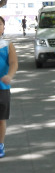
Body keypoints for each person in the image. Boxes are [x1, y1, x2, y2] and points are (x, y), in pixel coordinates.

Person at [0, 16, 19, 158]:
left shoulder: (7, 44)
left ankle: (0, 145)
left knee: (1, 119)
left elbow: (13, 63)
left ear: (3, 27)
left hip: (2, 87)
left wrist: (10, 76)